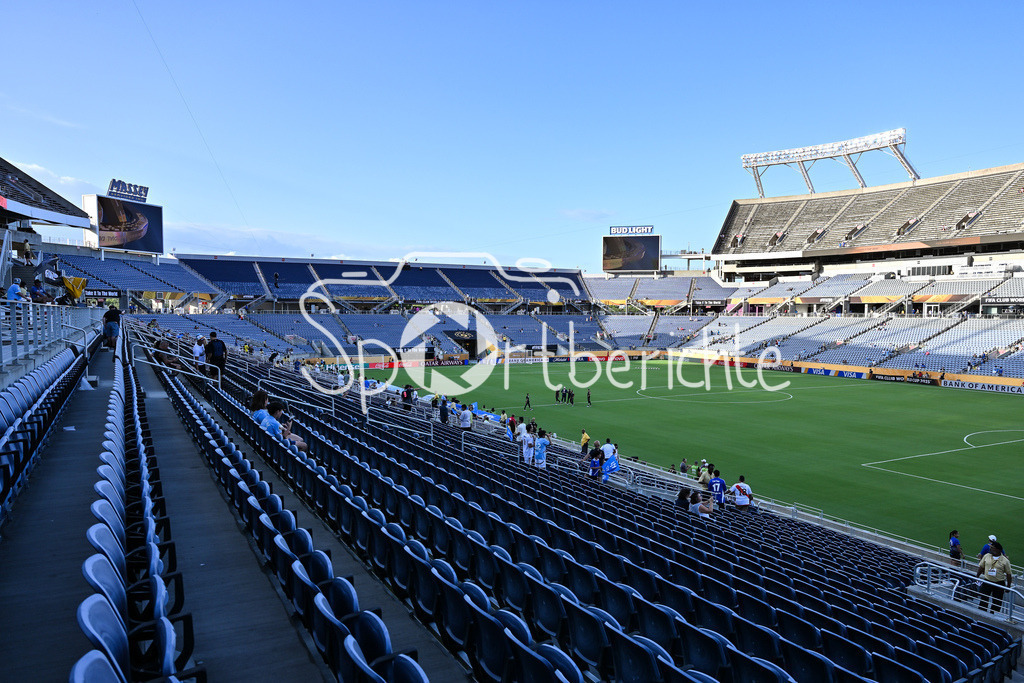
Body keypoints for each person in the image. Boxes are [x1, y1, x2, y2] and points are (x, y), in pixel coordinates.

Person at [976, 541, 1012, 613]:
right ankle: (982, 613)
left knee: (997, 601)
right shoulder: (987, 556)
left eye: (992, 548)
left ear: (998, 550)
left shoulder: (1005, 561)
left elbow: (1009, 574)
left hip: (999, 583)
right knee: (984, 599)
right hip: (987, 581)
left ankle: (993, 615)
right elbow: (981, 567)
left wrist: (1008, 586)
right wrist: (977, 577)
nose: (990, 549)